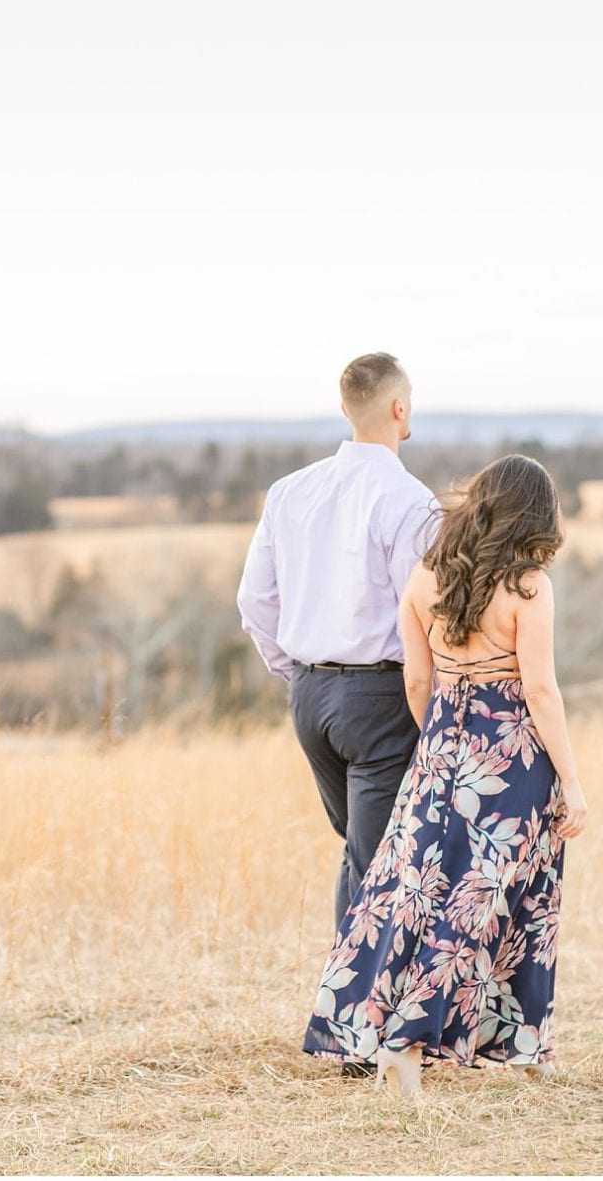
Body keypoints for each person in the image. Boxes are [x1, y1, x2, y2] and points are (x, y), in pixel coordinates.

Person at [298, 453, 590, 1098]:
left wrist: (440, 737)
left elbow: (417, 677)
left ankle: (505, 1046)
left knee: (418, 893)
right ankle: (433, 1042)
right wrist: (571, 780)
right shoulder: (529, 587)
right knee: (515, 899)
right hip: (512, 754)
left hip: (441, 746)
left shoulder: (425, 578)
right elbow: (540, 689)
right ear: (535, 513)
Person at [235, 352, 440, 1077]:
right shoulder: (410, 503)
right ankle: (362, 1038)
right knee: (379, 864)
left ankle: (370, 1023)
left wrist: (295, 674)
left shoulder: (290, 492)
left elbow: (253, 603)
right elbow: (425, 620)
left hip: (310, 697)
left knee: (361, 855)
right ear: (399, 409)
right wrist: (437, 702)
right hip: (381, 696)